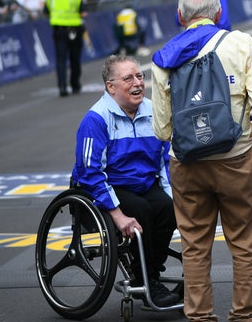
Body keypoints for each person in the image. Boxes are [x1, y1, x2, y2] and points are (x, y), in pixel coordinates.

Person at [151, 0, 252, 322]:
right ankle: (244, 316)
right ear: (219, 13)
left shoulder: (164, 58)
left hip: (187, 163)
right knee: (245, 243)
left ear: (180, 16)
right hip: (236, 157)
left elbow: (161, 129)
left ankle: (200, 316)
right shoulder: (239, 42)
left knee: (194, 246)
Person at [70, 54, 180, 308]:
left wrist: (176, 199)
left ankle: (150, 273)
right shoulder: (96, 119)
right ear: (111, 87)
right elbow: (89, 173)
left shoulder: (154, 111)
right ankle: (147, 279)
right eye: (128, 78)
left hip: (142, 184)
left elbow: (165, 162)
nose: (137, 83)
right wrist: (117, 215)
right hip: (104, 188)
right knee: (141, 210)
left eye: (140, 76)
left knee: (167, 208)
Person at [44, 0, 86, 97]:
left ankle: (62, 87)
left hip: (58, 30)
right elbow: (83, 13)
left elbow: (46, 12)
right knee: (75, 59)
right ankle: (75, 84)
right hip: (74, 29)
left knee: (60, 59)